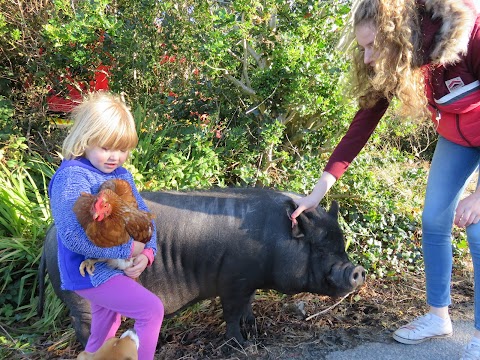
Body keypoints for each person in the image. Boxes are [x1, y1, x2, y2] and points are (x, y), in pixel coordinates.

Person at [290, 0, 480, 358]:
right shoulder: (401, 59)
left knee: (478, 228)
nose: (366, 58)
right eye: (362, 47)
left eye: (371, 46)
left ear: (397, 36)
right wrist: (317, 193)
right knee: (433, 220)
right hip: (459, 139)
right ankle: (439, 317)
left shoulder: (471, 35)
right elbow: (360, 128)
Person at [48, 92, 164, 360]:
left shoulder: (120, 175)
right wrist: (127, 250)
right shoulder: (72, 177)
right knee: (150, 310)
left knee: (106, 328)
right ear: (85, 139)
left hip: (112, 267)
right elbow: (72, 237)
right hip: (87, 272)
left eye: (122, 149)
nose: (115, 157)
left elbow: (144, 218)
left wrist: (147, 253)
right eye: (106, 148)